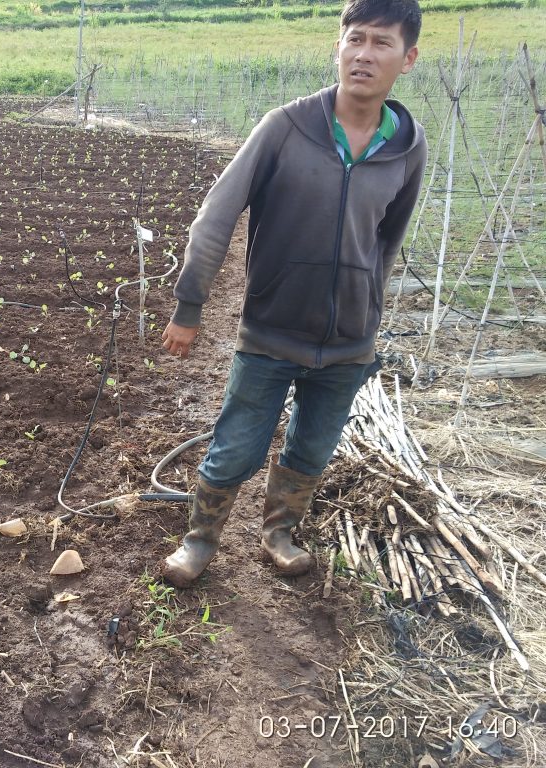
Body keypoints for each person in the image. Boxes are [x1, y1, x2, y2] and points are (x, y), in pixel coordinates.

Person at [160, 0, 427, 587]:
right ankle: (198, 542)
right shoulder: (285, 128)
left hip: (349, 343)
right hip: (271, 330)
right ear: (338, 47)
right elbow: (216, 216)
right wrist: (190, 305)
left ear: (407, 59)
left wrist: (369, 312)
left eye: (381, 43)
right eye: (355, 39)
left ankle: (278, 534)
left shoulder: (407, 147)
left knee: (312, 448)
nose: (364, 54)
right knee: (236, 446)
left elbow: (387, 240)